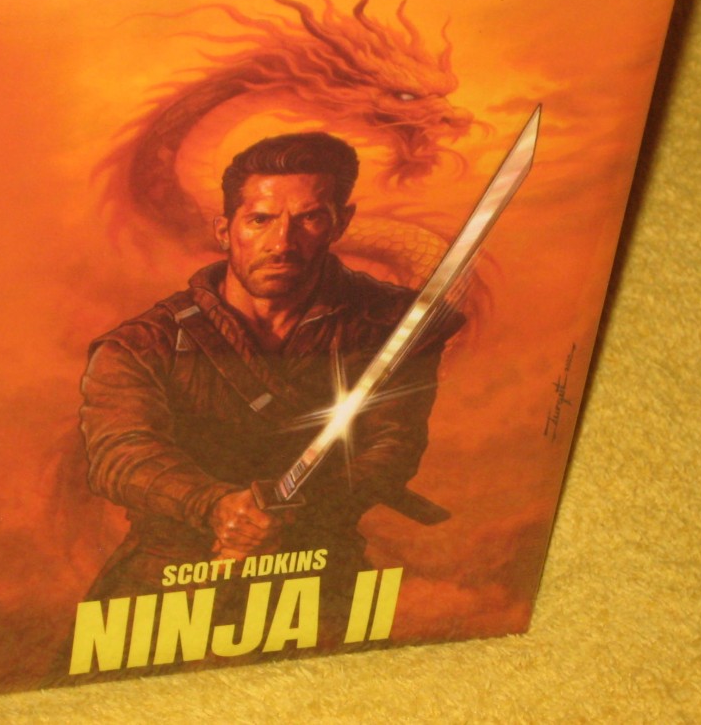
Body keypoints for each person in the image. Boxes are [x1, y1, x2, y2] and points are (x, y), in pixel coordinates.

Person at [78, 132, 460, 611]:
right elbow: (122, 454)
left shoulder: (393, 325)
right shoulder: (141, 346)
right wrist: (215, 507)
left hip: (318, 568)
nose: (282, 243)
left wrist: (293, 512)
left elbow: (392, 445)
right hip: (170, 576)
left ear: (340, 223)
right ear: (225, 230)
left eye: (309, 219)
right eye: (260, 220)